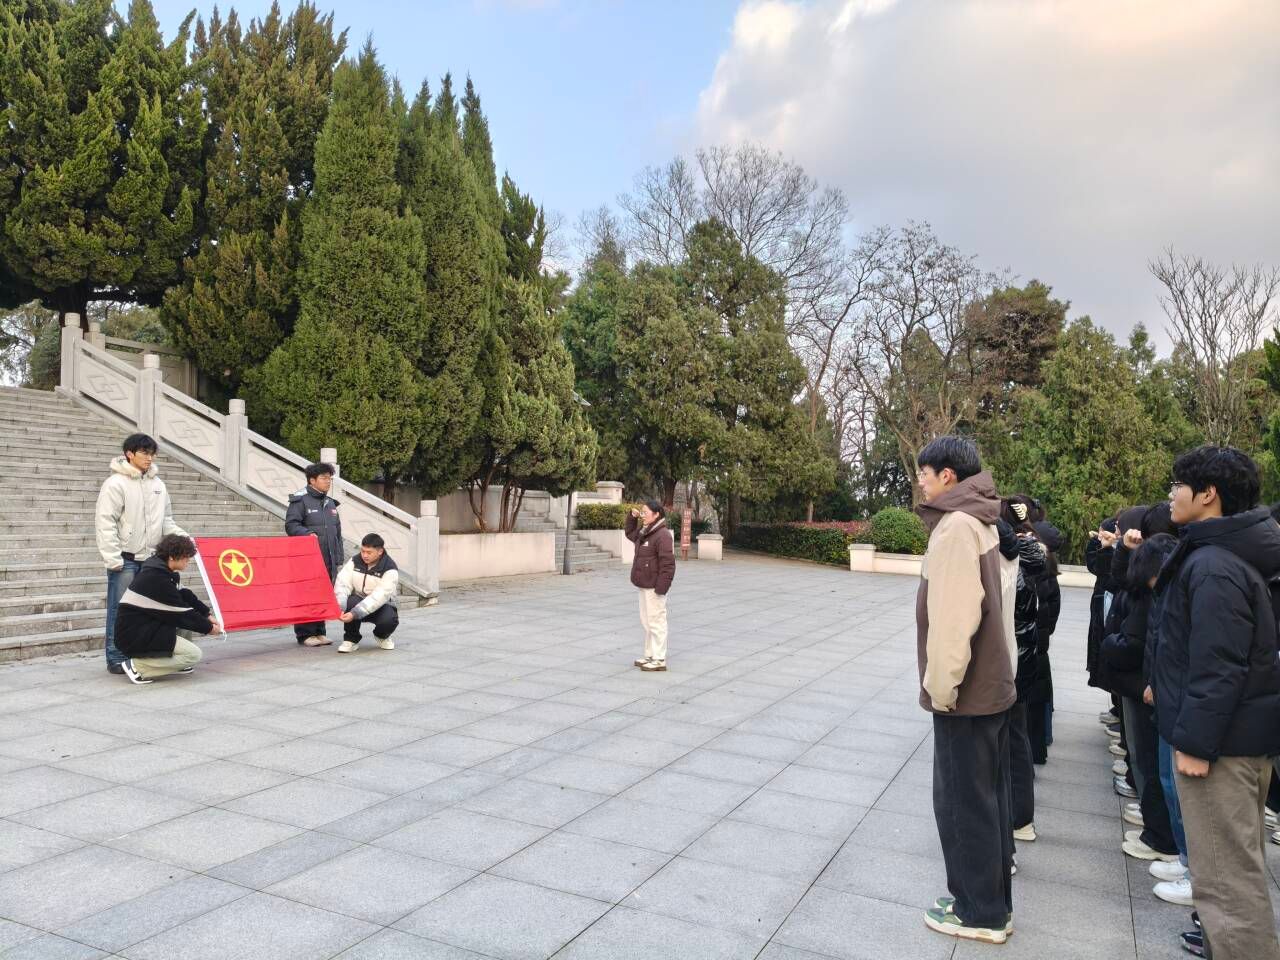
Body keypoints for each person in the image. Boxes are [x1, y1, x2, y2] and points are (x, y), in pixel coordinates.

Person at [1153, 445, 1280, 960]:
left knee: (1226, 885)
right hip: (1233, 740)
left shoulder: (1214, 565)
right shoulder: (1223, 553)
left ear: (1208, 495)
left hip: (1221, 749)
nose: (1172, 495)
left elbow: (1219, 663)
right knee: (1230, 873)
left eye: (1178, 485)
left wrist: (1196, 743)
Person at [914, 436, 1015, 945]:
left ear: (948, 476)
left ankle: (979, 912)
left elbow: (954, 621)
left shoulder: (955, 526)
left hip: (967, 694)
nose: (921, 482)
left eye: (925, 474)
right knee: (986, 799)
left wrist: (942, 689)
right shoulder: (980, 518)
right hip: (991, 686)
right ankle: (990, 904)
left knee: (961, 802)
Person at [95, 433, 187, 675]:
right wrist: (113, 558)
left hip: (152, 561)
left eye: (152, 453)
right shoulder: (115, 483)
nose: (149, 458)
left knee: (155, 609)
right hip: (125, 560)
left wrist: (185, 539)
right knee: (119, 610)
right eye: (144, 453)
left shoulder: (158, 485)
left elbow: (166, 521)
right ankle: (116, 658)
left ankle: (149, 654)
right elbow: (105, 522)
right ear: (129, 454)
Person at [997, 501, 1044, 845]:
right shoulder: (1034, 554)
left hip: (1013, 658)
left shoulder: (1012, 562)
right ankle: (1020, 817)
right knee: (1017, 738)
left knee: (1012, 742)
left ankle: (1019, 819)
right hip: (1025, 657)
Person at [114, 534, 221, 685]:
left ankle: (176, 664)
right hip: (134, 636)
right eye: (185, 557)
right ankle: (137, 667)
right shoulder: (156, 579)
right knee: (193, 655)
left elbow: (185, 595)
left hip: (146, 626)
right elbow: (183, 614)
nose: (188, 561)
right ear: (172, 557)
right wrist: (209, 628)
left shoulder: (162, 571)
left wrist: (207, 614)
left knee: (185, 621)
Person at [285, 462, 343, 647]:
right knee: (306, 595)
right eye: (324, 478)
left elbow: (337, 533)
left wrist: (339, 558)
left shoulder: (330, 503)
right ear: (312, 480)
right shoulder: (300, 501)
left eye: (329, 478)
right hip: (307, 560)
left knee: (322, 595)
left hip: (328, 559)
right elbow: (291, 525)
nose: (328, 482)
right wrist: (307, 533)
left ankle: (319, 631)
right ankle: (305, 634)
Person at [626, 499, 675, 672]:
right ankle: (649, 655)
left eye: (645, 512)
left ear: (656, 515)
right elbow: (630, 534)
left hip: (655, 587)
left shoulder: (662, 535)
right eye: (642, 512)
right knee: (647, 622)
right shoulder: (645, 532)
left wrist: (661, 588)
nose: (643, 515)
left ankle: (659, 659)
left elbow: (668, 564)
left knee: (656, 622)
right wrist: (632, 518)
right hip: (644, 584)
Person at [335, 534, 400, 653]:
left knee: (389, 620)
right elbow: (342, 583)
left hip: (382, 605)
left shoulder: (390, 569)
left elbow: (379, 597)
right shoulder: (354, 561)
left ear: (380, 551)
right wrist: (340, 606)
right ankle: (351, 639)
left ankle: (381, 636)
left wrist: (355, 613)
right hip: (358, 599)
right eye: (362, 551)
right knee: (349, 602)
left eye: (369, 552)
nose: (364, 555)